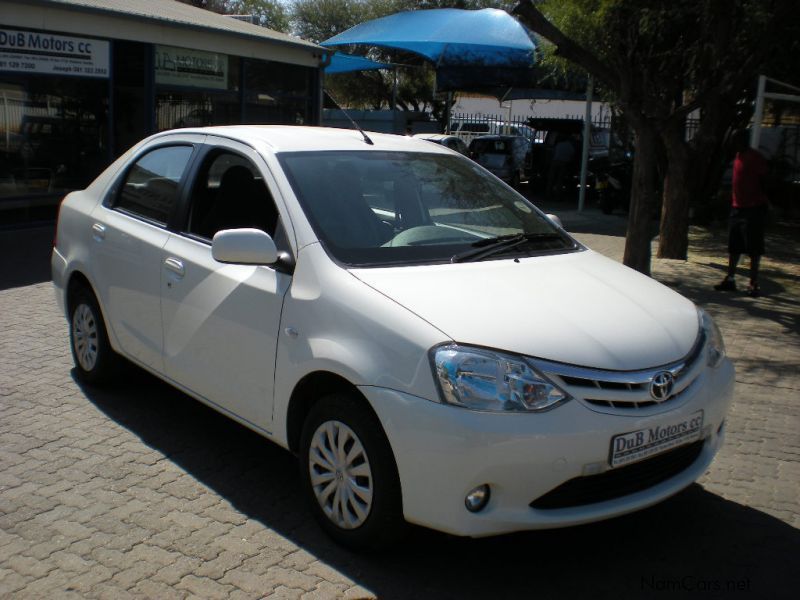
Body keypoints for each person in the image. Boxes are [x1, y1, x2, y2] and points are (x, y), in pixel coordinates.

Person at [715, 130, 769, 297]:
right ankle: (730, 279)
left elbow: (765, 180)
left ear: (743, 141)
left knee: (753, 248)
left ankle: (753, 283)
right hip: (737, 207)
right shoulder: (737, 156)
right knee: (734, 246)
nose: (733, 144)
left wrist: (764, 201)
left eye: (735, 141)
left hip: (753, 208)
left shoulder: (755, 157)